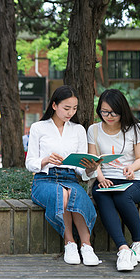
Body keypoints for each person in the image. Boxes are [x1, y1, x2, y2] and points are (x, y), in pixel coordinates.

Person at [26, 85, 101, 266]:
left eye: (74, 109)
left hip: (70, 178)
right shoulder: (38, 127)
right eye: (66, 108)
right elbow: (30, 163)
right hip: (44, 179)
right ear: (54, 105)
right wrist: (45, 160)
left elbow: (82, 172)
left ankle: (86, 245)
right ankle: (70, 242)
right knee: (64, 194)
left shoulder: (78, 130)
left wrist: (91, 168)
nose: (70, 113)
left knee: (73, 193)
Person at [88, 89, 140, 272]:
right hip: (105, 178)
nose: (109, 116)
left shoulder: (135, 128)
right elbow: (93, 159)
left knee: (122, 197)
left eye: (114, 112)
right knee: (101, 194)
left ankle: (138, 242)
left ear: (122, 110)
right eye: (104, 111)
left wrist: (131, 168)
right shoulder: (94, 130)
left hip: (131, 180)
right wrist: (101, 177)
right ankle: (123, 249)